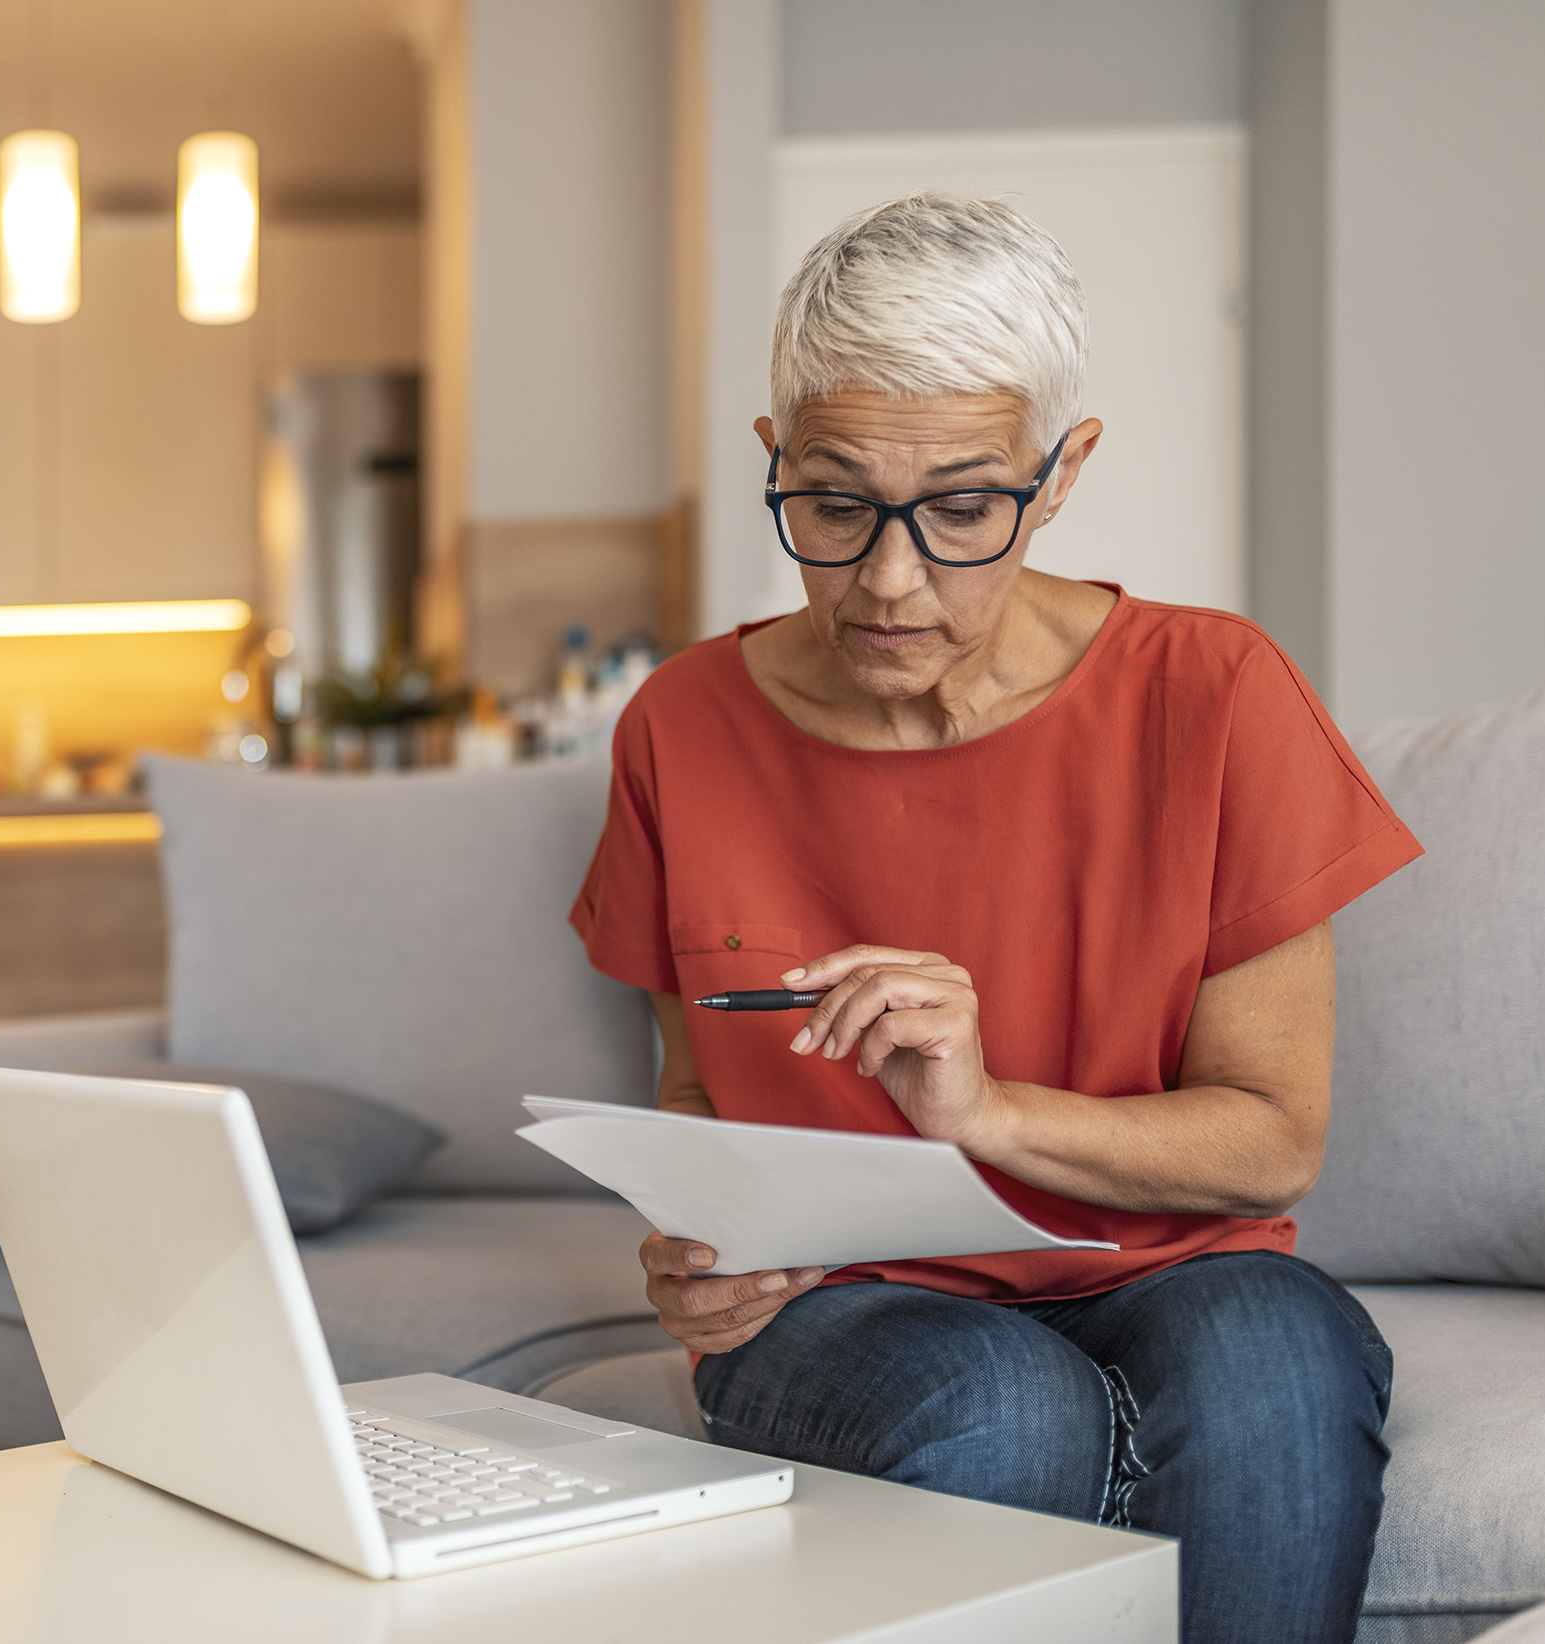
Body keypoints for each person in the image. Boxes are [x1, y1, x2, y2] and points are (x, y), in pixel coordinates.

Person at [569, 193, 1420, 1644]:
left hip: (1171, 1269)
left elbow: (1271, 1136)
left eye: (962, 509)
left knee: (1272, 1369)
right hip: (844, 1303)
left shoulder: (1212, 696)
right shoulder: (679, 728)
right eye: (833, 507)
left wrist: (985, 1114)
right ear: (773, 463)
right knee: (999, 1402)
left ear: (1061, 473)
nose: (888, 582)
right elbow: (696, 1085)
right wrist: (697, 1248)